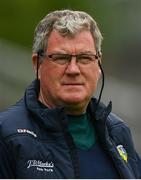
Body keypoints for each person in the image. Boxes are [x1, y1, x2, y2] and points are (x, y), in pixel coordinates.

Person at [0, 9, 141, 179]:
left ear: (98, 65)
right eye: (61, 58)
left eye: (84, 58)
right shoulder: (7, 135)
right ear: (38, 64)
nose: (73, 69)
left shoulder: (118, 133)